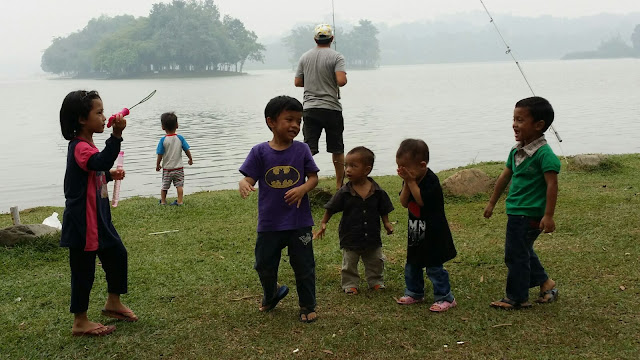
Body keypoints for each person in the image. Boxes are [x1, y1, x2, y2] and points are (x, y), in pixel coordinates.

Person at [59, 90, 138, 337]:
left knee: (117, 254)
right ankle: (80, 321)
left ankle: (113, 303)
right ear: (83, 119)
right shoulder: (80, 147)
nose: (105, 117)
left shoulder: (88, 145)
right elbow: (100, 161)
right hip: (83, 221)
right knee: (83, 270)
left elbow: (95, 170)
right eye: (99, 112)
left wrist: (108, 175)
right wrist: (116, 135)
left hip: (99, 217)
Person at [238, 95, 320, 323]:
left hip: (299, 222)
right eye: (289, 120)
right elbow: (249, 179)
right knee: (263, 264)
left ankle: (307, 304)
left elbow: (313, 178)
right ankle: (271, 293)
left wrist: (303, 189)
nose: (295, 125)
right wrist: (244, 183)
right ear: (271, 122)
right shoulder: (259, 152)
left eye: (299, 121)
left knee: (304, 265)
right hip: (270, 223)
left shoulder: (302, 150)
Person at [484, 96, 560, 310]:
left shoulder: (544, 155)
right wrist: (492, 203)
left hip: (530, 215)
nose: (514, 125)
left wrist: (548, 215)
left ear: (538, 125)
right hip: (515, 212)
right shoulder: (516, 150)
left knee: (515, 254)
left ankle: (517, 297)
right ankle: (546, 283)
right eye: (514, 119)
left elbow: (552, 186)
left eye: (520, 120)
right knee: (522, 250)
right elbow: (504, 177)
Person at [314, 146, 394, 294]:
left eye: (353, 166)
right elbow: (331, 207)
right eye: (346, 166)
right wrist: (324, 223)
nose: (348, 170)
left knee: (375, 260)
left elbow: (383, 209)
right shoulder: (344, 191)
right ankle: (350, 283)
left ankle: (376, 281)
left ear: (367, 170)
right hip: (350, 234)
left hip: (372, 234)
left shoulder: (377, 191)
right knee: (349, 262)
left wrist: (387, 223)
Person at [395, 139, 458, 312]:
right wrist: (408, 182)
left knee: (434, 265)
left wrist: (411, 182)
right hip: (416, 230)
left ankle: (446, 297)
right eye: (399, 167)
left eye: (406, 168)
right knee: (412, 263)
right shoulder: (409, 179)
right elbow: (403, 202)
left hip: (434, 231)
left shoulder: (431, 180)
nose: (402, 172)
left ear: (422, 165)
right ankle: (414, 292)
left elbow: (422, 201)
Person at [294, 23, 348, 189]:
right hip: (331, 108)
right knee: (337, 148)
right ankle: (339, 185)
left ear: (315, 39)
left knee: (308, 148)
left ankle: (301, 181)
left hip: (309, 108)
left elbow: (297, 82)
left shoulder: (304, 57)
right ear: (332, 38)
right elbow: (341, 81)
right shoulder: (337, 57)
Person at [156, 112, 193, 205]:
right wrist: (190, 159)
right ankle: (180, 201)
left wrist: (157, 165)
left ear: (162, 127)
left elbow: (160, 154)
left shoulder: (162, 140)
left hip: (167, 168)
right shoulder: (180, 138)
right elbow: (186, 149)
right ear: (177, 125)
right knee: (179, 185)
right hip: (179, 168)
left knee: (164, 186)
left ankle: (163, 201)